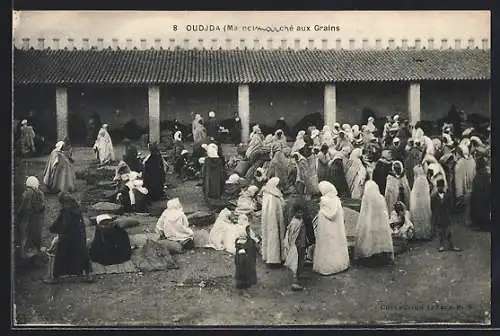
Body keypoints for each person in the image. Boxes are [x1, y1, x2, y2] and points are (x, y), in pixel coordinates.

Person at [44, 192, 92, 284]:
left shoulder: (66, 210)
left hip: (68, 237)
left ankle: (55, 277)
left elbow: (63, 224)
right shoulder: (76, 208)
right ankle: (88, 274)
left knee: (60, 256)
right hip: (79, 235)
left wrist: (54, 229)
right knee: (82, 253)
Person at [313, 181, 350, 275]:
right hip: (336, 228)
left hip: (326, 228)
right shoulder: (337, 200)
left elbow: (324, 212)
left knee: (326, 245)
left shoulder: (323, 200)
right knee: (336, 244)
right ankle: (339, 264)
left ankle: (326, 266)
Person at [355, 180, 394, 266]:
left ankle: (371, 254)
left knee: (369, 238)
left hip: (370, 222)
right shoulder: (381, 197)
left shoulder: (366, 197)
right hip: (380, 223)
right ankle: (381, 253)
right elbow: (385, 212)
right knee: (380, 238)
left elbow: (363, 212)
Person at [16, 176, 45, 265]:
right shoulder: (40, 193)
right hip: (37, 220)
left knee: (26, 238)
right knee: (36, 237)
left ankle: (26, 258)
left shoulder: (26, 194)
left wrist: (18, 216)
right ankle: (35, 258)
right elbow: (42, 207)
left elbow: (22, 209)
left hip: (27, 220)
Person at [261, 177, 285, 266]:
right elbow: (272, 210)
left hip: (273, 219)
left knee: (274, 237)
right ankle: (273, 258)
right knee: (273, 238)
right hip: (273, 220)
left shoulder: (269, 194)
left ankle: (273, 256)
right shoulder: (272, 196)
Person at [431, 179, 461, 252]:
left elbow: (450, 206)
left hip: (446, 215)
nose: (440, 188)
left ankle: (451, 245)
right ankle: (441, 245)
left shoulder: (447, 195)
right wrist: (435, 217)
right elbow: (433, 207)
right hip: (438, 216)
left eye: (441, 186)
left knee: (448, 231)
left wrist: (450, 214)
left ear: (444, 187)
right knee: (440, 232)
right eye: (438, 187)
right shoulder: (434, 197)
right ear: (437, 187)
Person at [283, 204, 308, 291]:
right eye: (298, 212)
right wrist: (291, 246)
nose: (300, 214)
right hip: (296, 245)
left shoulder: (301, 220)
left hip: (302, 244)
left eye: (301, 212)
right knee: (295, 263)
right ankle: (295, 282)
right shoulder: (294, 222)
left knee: (301, 261)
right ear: (294, 213)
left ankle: (297, 276)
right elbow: (290, 235)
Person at [409, 165, 433, 240]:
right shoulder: (424, 179)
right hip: (424, 202)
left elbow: (415, 193)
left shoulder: (418, 180)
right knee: (425, 216)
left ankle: (419, 234)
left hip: (418, 201)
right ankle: (425, 233)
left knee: (418, 215)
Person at [234, 222, 258, 289]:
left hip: (240, 260)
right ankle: (246, 282)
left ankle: (240, 283)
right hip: (247, 261)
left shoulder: (238, 241)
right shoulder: (250, 242)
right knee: (246, 270)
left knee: (240, 271)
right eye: (248, 230)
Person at [454, 144, 476, 215]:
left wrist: (459, 193)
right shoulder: (472, 160)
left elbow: (458, 180)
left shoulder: (459, 164)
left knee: (466, 208)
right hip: (472, 186)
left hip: (464, 189)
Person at [470, 157, 491, 231]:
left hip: (480, 201)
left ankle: (481, 225)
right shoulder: (486, 175)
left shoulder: (479, 176)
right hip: (484, 200)